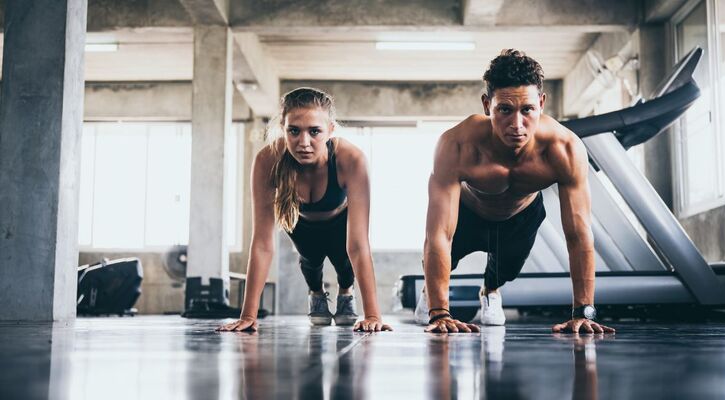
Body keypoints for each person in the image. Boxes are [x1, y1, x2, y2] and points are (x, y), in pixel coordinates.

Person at [417, 49, 615, 334]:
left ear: (542, 104)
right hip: (468, 212)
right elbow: (438, 235)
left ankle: (490, 292)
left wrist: (583, 312)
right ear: (488, 105)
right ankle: (430, 296)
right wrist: (439, 314)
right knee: (436, 260)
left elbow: (579, 233)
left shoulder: (565, 149)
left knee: (505, 272)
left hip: (520, 216)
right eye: (505, 110)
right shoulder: (457, 145)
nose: (517, 124)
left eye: (527, 110)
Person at [218, 87, 391, 332]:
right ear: (283, 128)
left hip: (339, 221)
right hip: (301, 223)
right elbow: (262, 244)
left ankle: (346, 294)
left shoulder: (351, 159)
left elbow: (359, 246)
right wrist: (248, 315)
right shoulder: (267, 160)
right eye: (294, 131)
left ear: (330, 129)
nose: (304, 143)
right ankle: (316, 294)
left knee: (344, 262)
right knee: (310, 261)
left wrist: (373, 314)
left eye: (315, 131)